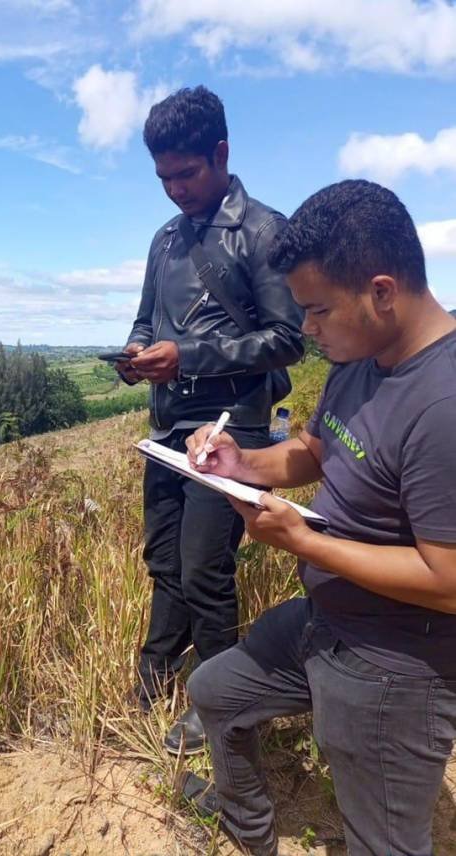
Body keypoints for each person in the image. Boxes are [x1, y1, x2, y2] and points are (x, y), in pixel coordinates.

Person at [183, 180, 456, 856]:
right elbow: (314, 450)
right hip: (326, 621)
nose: (305, 328)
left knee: (382, 841)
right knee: (215, 691)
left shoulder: (443, 405)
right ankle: (247, 828)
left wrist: (303, 540)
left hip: (397, 665)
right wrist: (238, 464)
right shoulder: (360, 358)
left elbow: (448, 580)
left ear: (382, 292)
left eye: (317, 310)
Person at [118, 86, 304, 752]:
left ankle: (219, 697)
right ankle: (155, 671)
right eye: (163, 177)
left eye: (186, 173)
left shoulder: (263, 232)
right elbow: (146, 319)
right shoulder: (164, 240)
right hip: (167, 423)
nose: (174, 190)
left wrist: (189, 355)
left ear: (221, 153)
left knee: (204, 568)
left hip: (233, 427)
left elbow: (288, 337)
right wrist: (136, 356)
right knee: (163, 560)